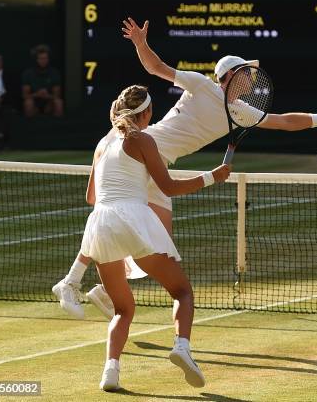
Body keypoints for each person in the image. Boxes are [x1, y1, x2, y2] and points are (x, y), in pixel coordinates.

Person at [51, 17, 317, 320]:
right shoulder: (201, 85)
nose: (252, 78)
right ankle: (70, 281)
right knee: (114, 214)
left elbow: (286, 121)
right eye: (247, 72)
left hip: (159, 164)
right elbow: (157, 68)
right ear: (231, 74)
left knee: (157, 243)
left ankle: (105, 289)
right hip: (142, 149)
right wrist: (141, 44)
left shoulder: (240, 111)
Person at [82, 84, 230, 390]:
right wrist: (211, 177)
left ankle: (110, 371)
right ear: (146, 113)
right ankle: (182, 347)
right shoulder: (143, 139)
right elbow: (169, 188)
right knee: (182, 292)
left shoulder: (101, 144)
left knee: (123, 309)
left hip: (100, 225)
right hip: (133, 220)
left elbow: (91, 197)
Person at [21, 44, 63, 117]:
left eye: (45, 58)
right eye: (41, 58)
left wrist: (47, 96)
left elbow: (57, 95)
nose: (43, 60)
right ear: (36, 59)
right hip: (34, 102)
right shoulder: (28, 73)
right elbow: (25, 95)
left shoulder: (54, 73)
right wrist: (37, 94)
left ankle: (57, 125)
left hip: (49, 102)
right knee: (28, 103)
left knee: (59, 102)